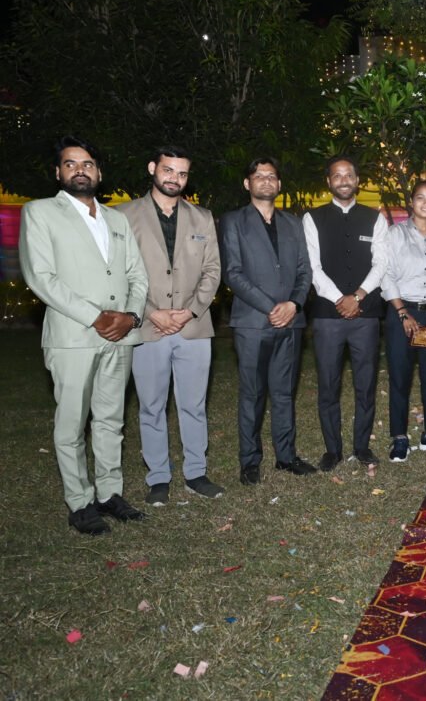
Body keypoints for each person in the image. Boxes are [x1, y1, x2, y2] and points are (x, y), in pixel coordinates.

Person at [19, 136, 149, 534]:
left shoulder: (117, 219)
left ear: (99, 173)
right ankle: (79, 502)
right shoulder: (40, 212)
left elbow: (137, 275)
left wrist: (131, 316)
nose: (80, 170)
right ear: (58, 172)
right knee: (72, 425)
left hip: (119, 336)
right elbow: (41, 277)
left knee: (111, 420)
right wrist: (96, 317)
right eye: (71, 164)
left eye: (88, 164)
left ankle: (109, 493)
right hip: (73, 336)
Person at [119, 146, 223, 506]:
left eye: (181, 173)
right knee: (151, 406)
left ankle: (196, 473)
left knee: (194, 404)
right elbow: (119, 274)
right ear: (153, 168)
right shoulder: (123, 215)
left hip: (193, 327)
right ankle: (158, 477)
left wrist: (189, 311)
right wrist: (151, 312)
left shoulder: (202, 217)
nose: (174, 178)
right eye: (168, 170)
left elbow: (212, 271)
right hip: (148, 327)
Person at [219, 157, 315, 485]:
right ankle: (250, 460)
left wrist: (294, 304)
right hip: (252, 322)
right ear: (247, 183)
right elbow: (232, 272)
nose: (266, 181)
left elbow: (304, 270)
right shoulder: (233, 221)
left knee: (284, 393)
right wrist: (271, 307)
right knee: (253, 394)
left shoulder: (293, 223)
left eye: (271, 176)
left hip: (291, 321)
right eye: (259, 176)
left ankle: (286, 457)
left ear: (279, 184)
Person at [302, 155, 389, 473]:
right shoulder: (312, 218)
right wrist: (341, 298)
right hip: (328, 314)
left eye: (348, 175)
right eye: (337, 176)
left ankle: (362, 446)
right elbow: (313, 267)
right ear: (329, 181)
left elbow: (381, 262)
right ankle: (333, 449)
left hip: (365, 314)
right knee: (329, 383)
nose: (343, 180)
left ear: (357, 180)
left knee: (366, 383)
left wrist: (359, 296)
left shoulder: (375, 218)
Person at [380, 180, 426, 463]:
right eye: (420, 198)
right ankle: (399, 437)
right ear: (412, 202)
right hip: (402, 313)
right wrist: (402, 312)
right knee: (400, 377)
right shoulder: (395, 234)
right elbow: (385, 274)